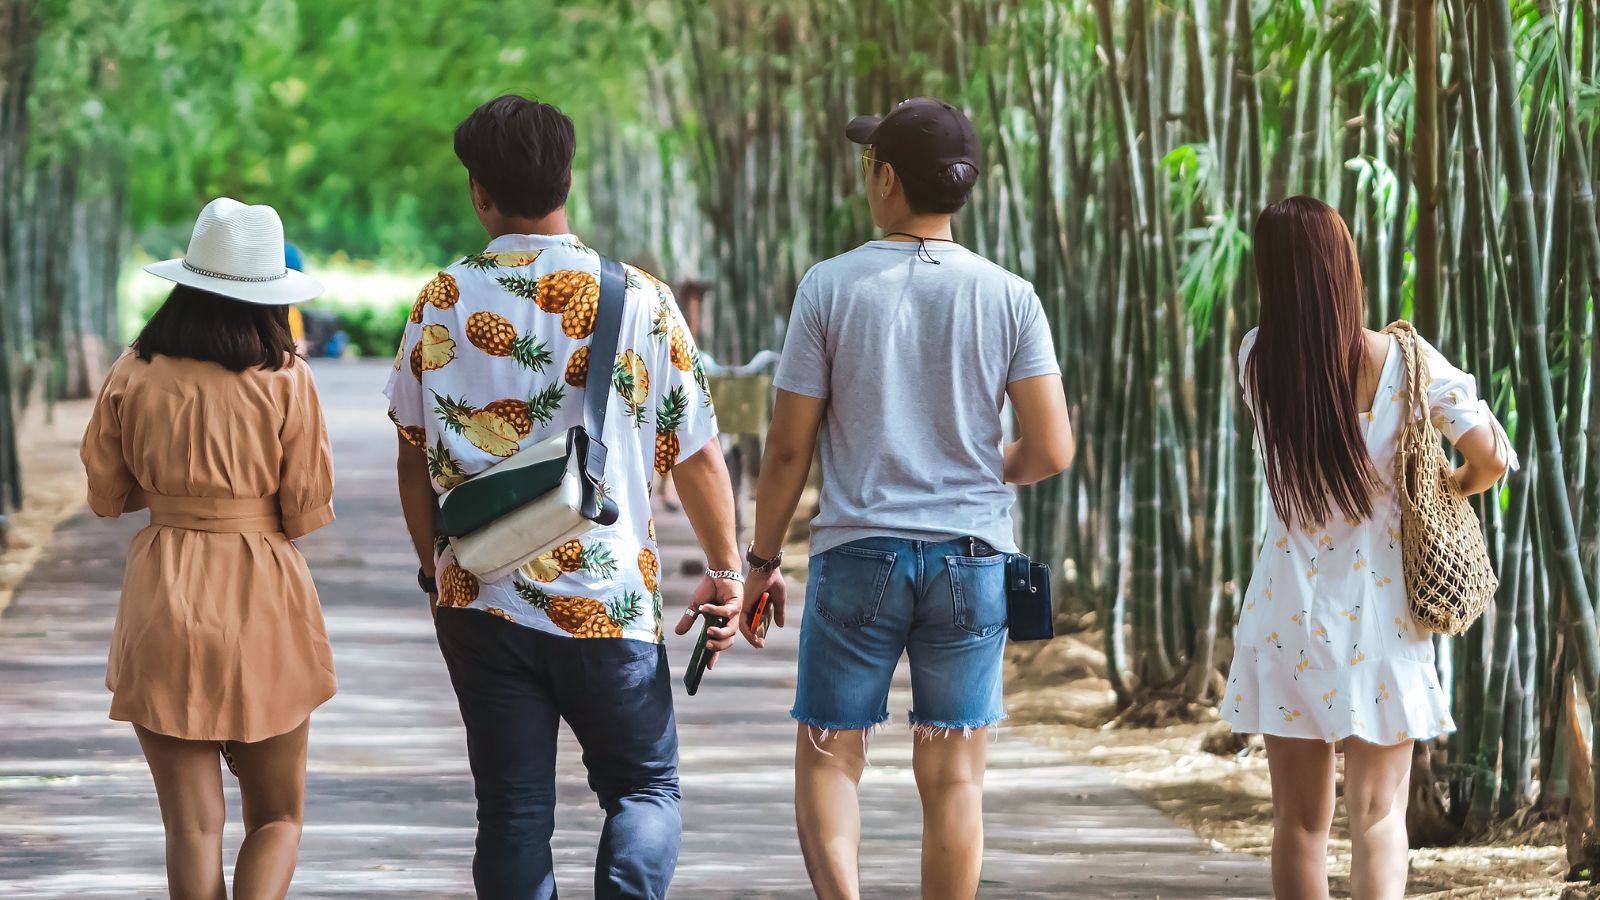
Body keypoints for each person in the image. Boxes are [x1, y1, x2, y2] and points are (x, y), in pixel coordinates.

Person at [385, 95, 741, 899]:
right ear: (568, 179)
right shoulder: (643, 298)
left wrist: (432, 569)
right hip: (608, 597)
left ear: (479, 191)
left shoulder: (442, 300)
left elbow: (412, 458)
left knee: (511, 811)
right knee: (643, 790)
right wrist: (727, 569)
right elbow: (699, 457)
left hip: (480, 593)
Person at [740, 97, 1075, 900]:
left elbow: (788, 449)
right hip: (971, 558)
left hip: (857, 555)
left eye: (869, 166)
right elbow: (1052, 447)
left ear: (887, 178)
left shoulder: (829, 286)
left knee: (831, 756)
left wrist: (758, 561)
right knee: (955, 777)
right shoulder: (1010, 295)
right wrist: (979, 469)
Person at [1221, 195, 1513, 900]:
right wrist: (1455, 483)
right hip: (1381, 619)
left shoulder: (1257, 357)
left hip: (1285, 613)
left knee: (1297, 824)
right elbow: (1494, 456)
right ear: (1343, 267)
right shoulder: (1405, 361)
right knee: (1380, 817)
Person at [81, 197, 336, 899]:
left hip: (163, 592)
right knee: (278, 817)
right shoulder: (287, 379)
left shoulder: (134, 371)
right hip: (263, 595)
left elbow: (106, 496)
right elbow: (306, 511)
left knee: (192, 830)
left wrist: (173, 492)